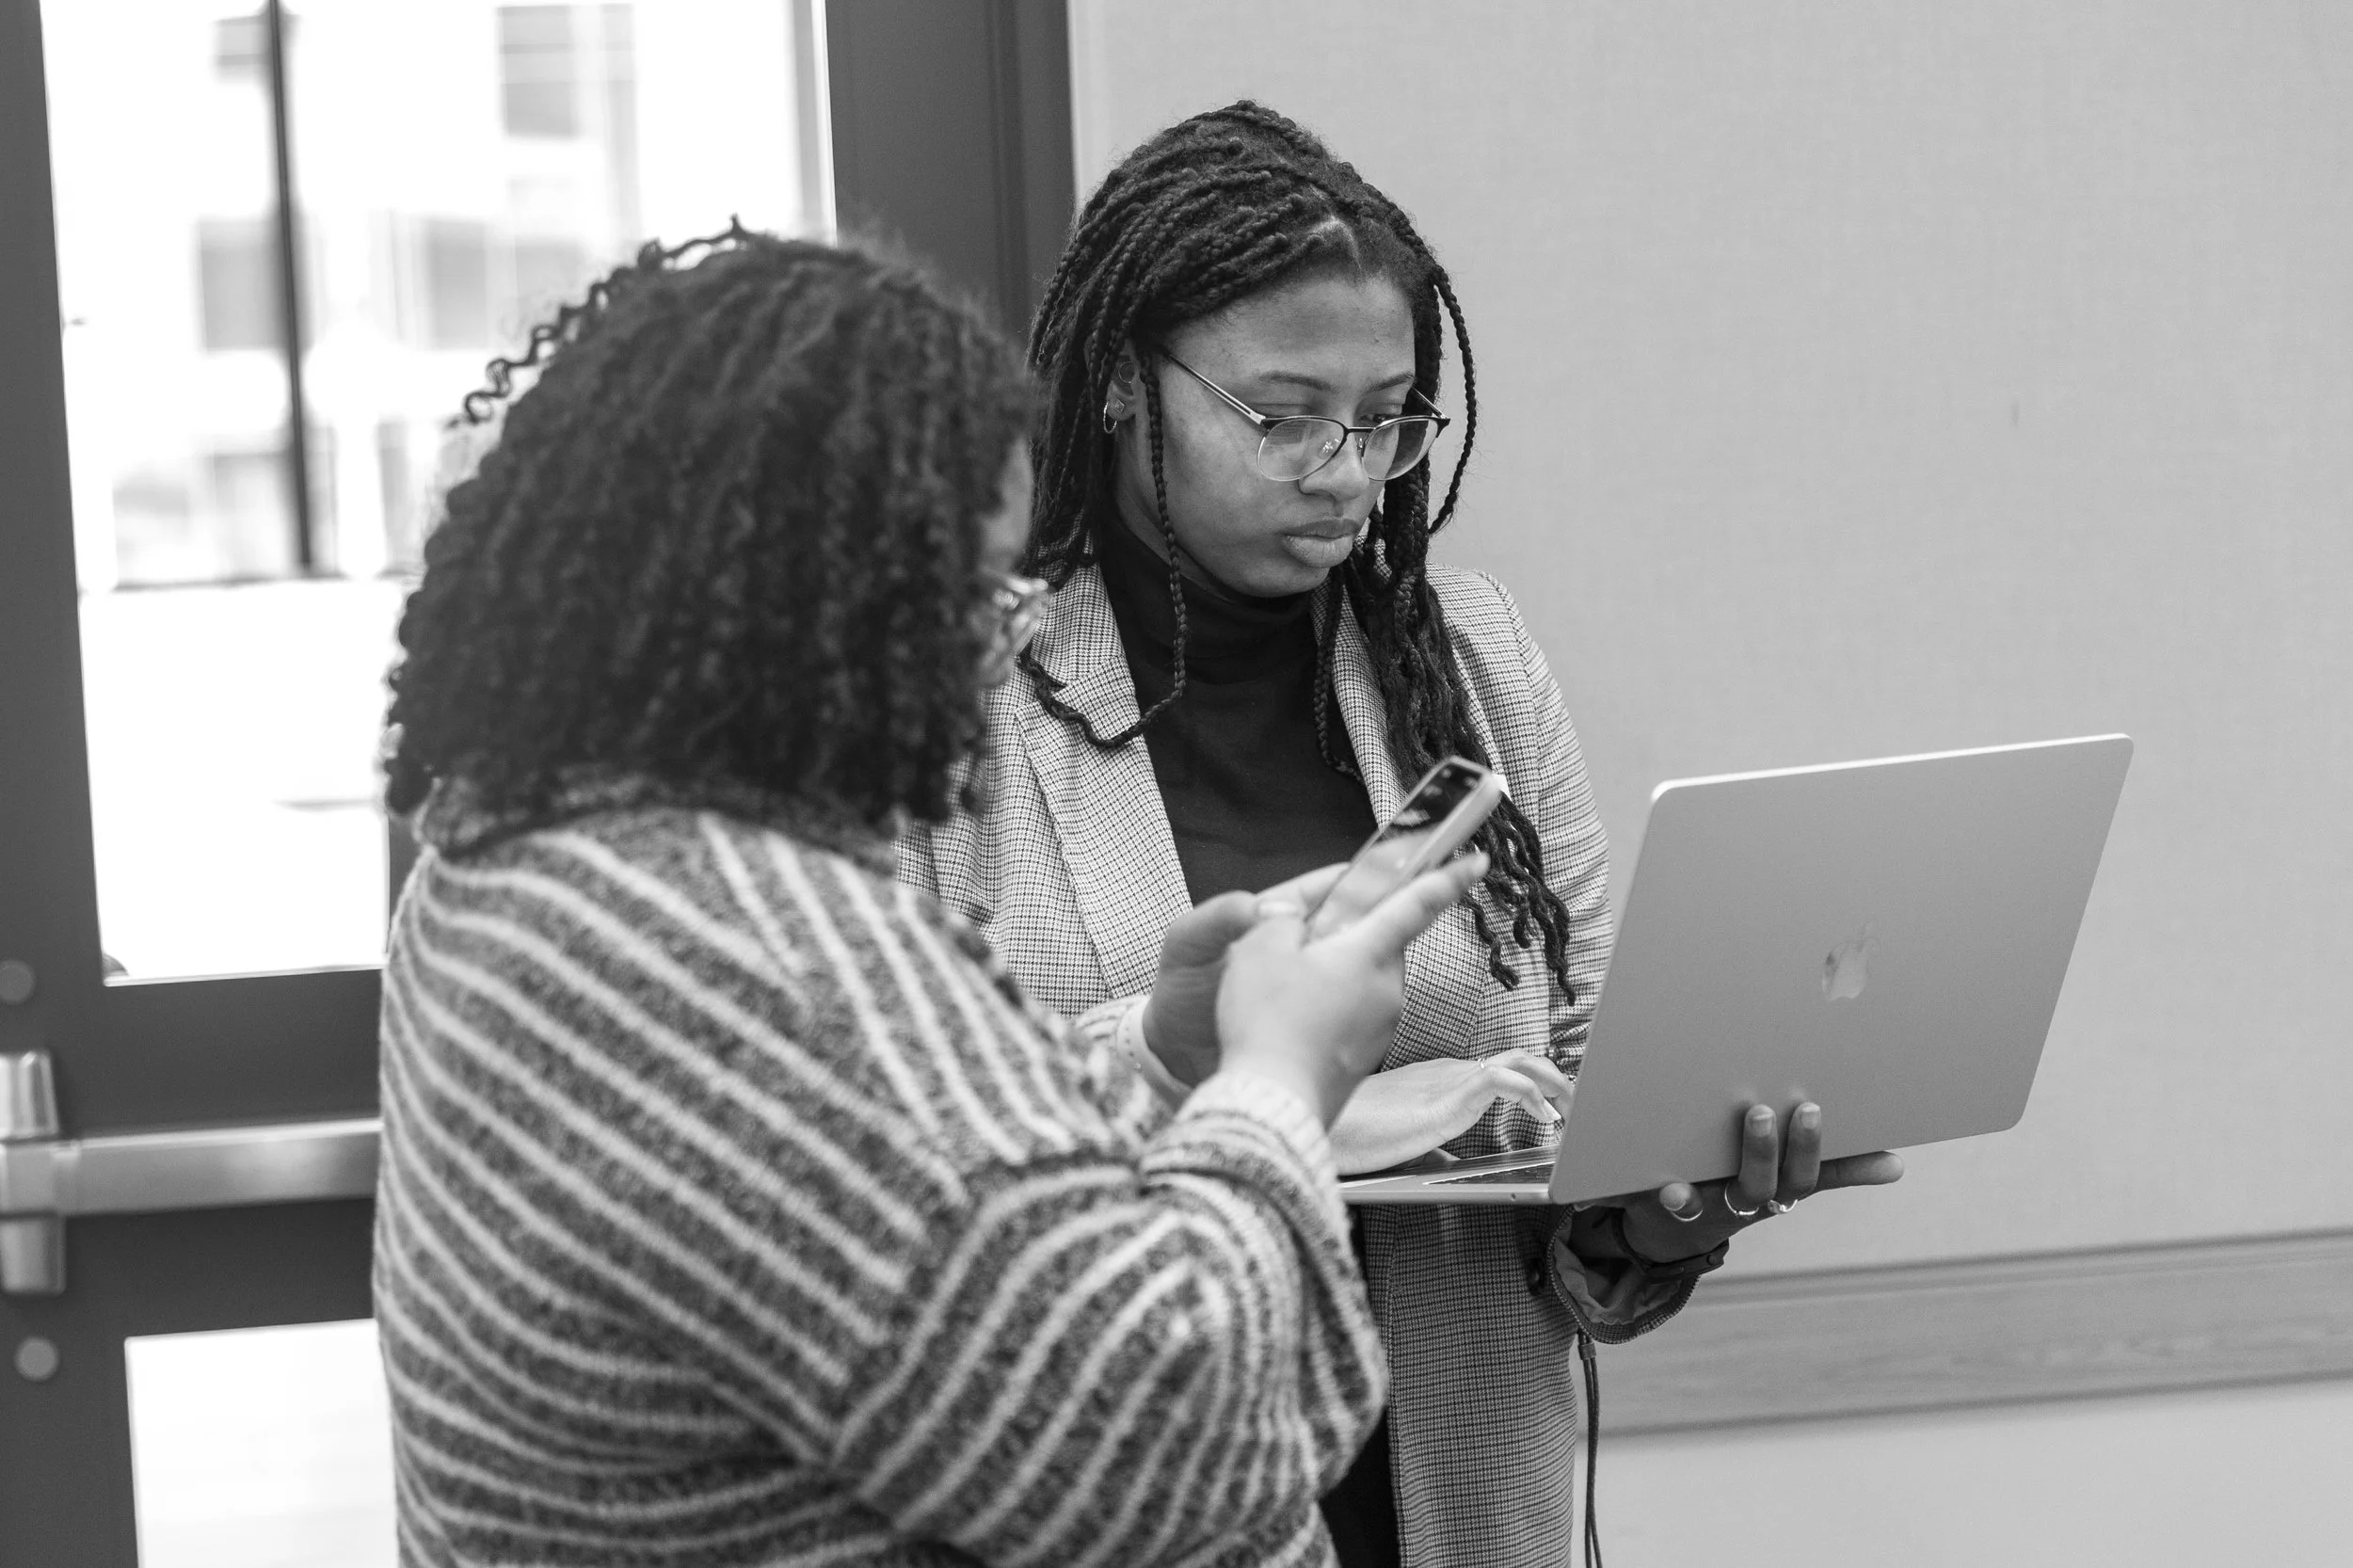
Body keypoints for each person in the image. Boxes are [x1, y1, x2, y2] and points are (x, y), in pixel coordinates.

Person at [373, 227, 1489, 1568]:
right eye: (977, 586)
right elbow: (1175, 1441)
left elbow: (935, 1262)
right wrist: (1278, 1075)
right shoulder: (762, 957)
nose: (1007, 639)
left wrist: (1154, 1060)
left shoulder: (528, 859)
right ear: (817, 598)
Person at [897, 104, 1903, 1568]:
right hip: (1114, 1503)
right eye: (1283, 412)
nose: (1346, 470)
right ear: (1121, 383)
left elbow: (1575, 1116)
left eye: (1386, 418)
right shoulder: (949, 702)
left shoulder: (1470, 665)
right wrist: (1232, 1057)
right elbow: (904, 1133)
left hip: (1454, 1504)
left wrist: (1662, 1216)